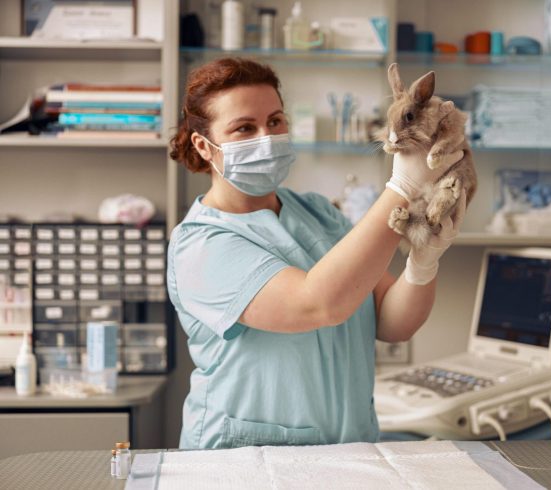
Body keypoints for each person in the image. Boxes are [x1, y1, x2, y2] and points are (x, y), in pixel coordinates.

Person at [168, 57, 467, 449]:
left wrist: (422, 265)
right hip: (243, 461)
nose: (267, 135)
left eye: (275, 121)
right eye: (244, 127)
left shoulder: (317, 212)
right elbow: (319, 305)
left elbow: (393, 323)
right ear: (205, 147)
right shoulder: (202, 246)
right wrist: (403, 186)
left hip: (348, 450)